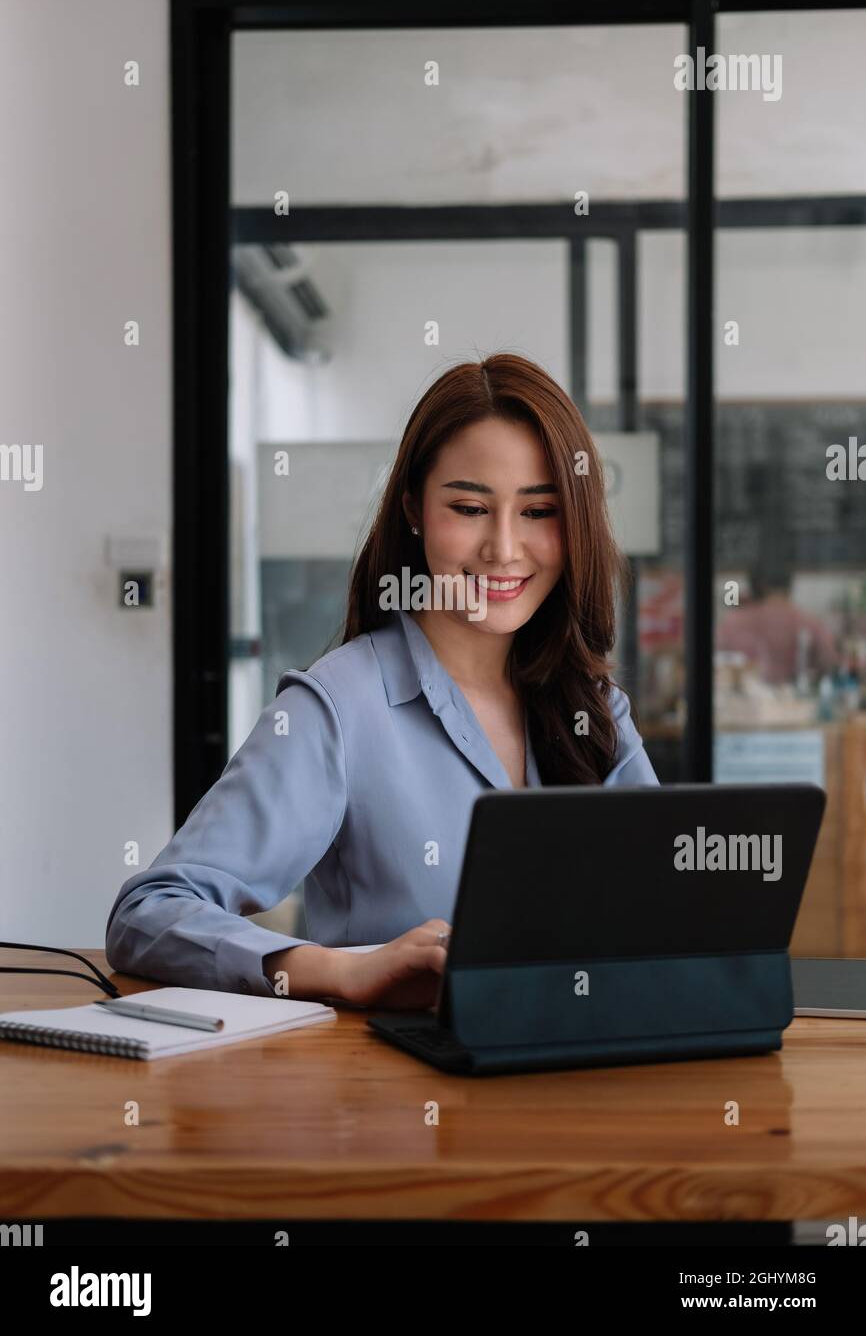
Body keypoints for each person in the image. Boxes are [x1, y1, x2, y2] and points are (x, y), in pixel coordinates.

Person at [105, 353, 659, 1009]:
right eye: (469, 507)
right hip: (399, 1094)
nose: (505, 549)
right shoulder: (340, 707)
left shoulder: (594, 711)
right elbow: (149, 912)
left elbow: (664, 913)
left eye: (539, 511)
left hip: (581, 1079)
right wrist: (337, 972)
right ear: (414, 510)